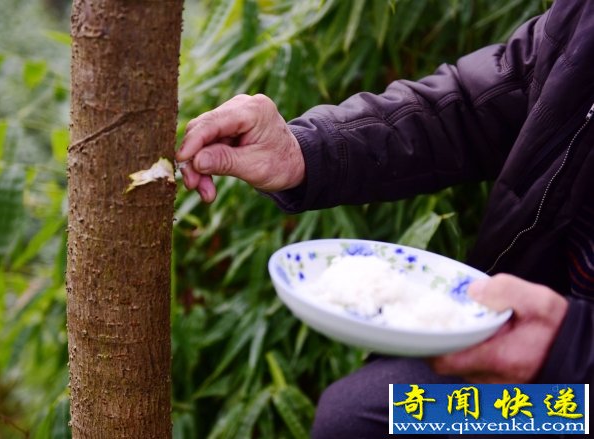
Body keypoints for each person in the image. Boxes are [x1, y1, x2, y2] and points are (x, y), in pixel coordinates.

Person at [177, 0, 593, 436]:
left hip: (576, 401)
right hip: (541, 339)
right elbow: (482, 101)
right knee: (366, 413)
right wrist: (306, 151)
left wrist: (571, 350)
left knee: (362, 420)